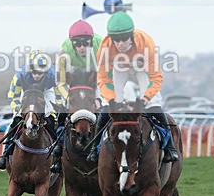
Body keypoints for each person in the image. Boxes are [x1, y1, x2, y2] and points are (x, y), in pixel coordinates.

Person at [89, 12, 180, 162]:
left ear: (131, 35)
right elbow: (104, 79)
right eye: (116, 40)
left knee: (153, 104)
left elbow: (155, 78)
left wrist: (144, 100)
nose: (120, 44)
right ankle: (95, 148)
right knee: (107, 106)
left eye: (124, 39)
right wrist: (112, 100)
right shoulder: (105, 48)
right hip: (119, 69)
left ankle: (169, 146)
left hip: (141, 69)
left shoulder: (146, 44)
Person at [0, 50, 63, 170]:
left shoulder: (53, 76)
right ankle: (4, 155)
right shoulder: (20, 76)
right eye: (34, 72)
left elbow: (58, 98)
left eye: (40, 73)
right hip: (26, 92)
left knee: (51, 122)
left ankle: (57, 157)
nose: (37, 75)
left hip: (46, 92)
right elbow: (13, 96)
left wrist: (52, 115)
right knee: (15, 121)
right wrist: (19, 112)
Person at [49, 19, 103, 174]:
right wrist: (69, 99)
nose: (82, 47)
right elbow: (61, 82)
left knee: (106, 111)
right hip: (73, 78)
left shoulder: (101, 47)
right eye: (78, 44)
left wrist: (99, 99)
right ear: (72, 44)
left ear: (91, 42)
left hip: (94, 77)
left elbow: (105, 77)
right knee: (63, 112)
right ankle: (58, 152)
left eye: (86, 44)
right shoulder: (64, 51)